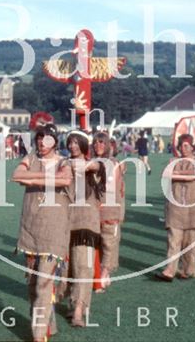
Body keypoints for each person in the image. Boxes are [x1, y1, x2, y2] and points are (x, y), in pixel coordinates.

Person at [11, 124, 72, 342]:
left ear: (55, 141)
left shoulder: (65, 162)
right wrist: (45, 175)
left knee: (43, 285)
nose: (41, 142)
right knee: (33, 286)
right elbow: (17, 175)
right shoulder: (30, 157)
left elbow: (65, 179)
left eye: (47, 139)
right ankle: (50, 326)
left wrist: (32, 178)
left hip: (54, 231)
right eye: (39, 138)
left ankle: (38, 336)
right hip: (31, 229)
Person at [155, 134, 195, 281]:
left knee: (192, 240)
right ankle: (170, 270)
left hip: (194, 207)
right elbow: (165, 174)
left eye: (186, 145)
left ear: (192, 146)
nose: (183, 148)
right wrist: (186, 175)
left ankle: (189, 270)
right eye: (181, 145)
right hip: (175, 206)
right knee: (173, 239)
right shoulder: (173, 160)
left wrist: (177, 173)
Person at [64, 130, 102, 327]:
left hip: (86, 225)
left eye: (76, 143)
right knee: (68, 270)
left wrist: (73, 165)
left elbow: (95, 166)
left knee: (84, 269)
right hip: (64, 223)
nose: (72, 146)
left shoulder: (94, 165)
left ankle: (79, 310)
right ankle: (72, 305)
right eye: (69, 143)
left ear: (84, 145)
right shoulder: (61, 164)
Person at [91, 131, 125, 292]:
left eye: (102, 143)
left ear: (108, 145)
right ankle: (98, 273)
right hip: (93, 210)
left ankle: (105, 272)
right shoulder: (92, 162)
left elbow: (110, 187)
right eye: (96, 143)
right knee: (95, 243)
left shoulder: (113, 163)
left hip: (110, 209)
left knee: (109, 242)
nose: (98, 146)